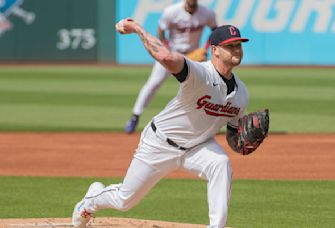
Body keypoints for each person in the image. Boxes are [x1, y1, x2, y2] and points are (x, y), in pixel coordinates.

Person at [72, 16, 252, 228]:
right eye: (230, 46)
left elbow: (233, 135)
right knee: (124, 200)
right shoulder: (200, 74)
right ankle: (90, 201)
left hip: (197, 147)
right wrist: (138, 28)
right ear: (215, 50)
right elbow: (166, 57)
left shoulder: (242, 95)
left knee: (220, 163)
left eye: (238, 45)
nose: (236, 49)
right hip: (160, 143)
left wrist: (245, 139)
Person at [124, 0, 217, 133]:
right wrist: (165, 49)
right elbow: (160, 30)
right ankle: (135, 117)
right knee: (153, 84)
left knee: (202, 88)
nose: (191, 3)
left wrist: (205, 49)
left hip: (193, 56)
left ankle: (204, 123)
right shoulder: (172, 12)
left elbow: (215, 30)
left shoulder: (207, 13)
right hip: (171, 53)